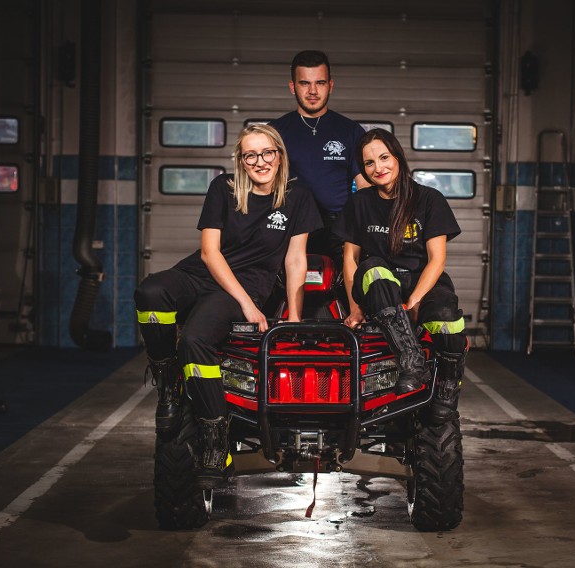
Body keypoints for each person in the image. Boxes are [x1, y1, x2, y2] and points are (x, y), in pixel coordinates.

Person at [134, 124, 322, 486]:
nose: (260, 161)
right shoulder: (224, 188)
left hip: (249, 285)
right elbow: (209, 253)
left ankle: (216, 442)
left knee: (195, 340)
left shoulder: (298, 197)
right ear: (241, 160)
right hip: (205, 274)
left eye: (267, 152)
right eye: (250, 155)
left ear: (279, 155)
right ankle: (168, 381)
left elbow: (295, 260)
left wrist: (292, 316)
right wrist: (245, 305)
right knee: (150, 293)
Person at [334, 129, 468, 423]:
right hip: (381, 286)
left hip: (424, 282)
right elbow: (350, 259)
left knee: (448, 321)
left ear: (398, 157)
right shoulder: (360, 203)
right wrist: (355, 309)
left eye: (384, 158)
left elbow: (437, 260)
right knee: (373, 267)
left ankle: (447, 384)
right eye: (369, 163)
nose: (378, 168)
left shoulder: (429, 199)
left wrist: (415, 301)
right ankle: (411, 359)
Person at [269, 50, 368, 261]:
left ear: (330, 86)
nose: (313, 91)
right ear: (292, 86)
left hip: (339, 228)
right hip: (289, 225)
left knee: (351, 286)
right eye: (304, 83)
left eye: (320, 83)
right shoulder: (274, 132)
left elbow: (365, 187)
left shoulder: (350, 131)